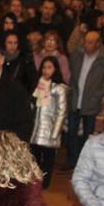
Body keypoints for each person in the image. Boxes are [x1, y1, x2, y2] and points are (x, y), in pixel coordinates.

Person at [67, 29, 104, 165]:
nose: (86, 45)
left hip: (91, 101)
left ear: (98, 44)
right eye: (85, 42)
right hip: (75, 99)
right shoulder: (77, 54)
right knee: (71, 131)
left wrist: (100, 93)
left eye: (90, 43)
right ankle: (72, 161)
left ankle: (85, 162)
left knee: (88, 134)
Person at [29, 55, 69, 188]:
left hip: (50, 129)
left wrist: (55, 133)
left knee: (48, 160)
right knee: (34, 157)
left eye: (49, 67)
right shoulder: (38, 85)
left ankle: (44, 184)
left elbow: (62, 112)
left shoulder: (59, 88)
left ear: (55, 69)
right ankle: (34, 182)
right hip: (36, 129)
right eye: (44, 67)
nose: (46, 71)